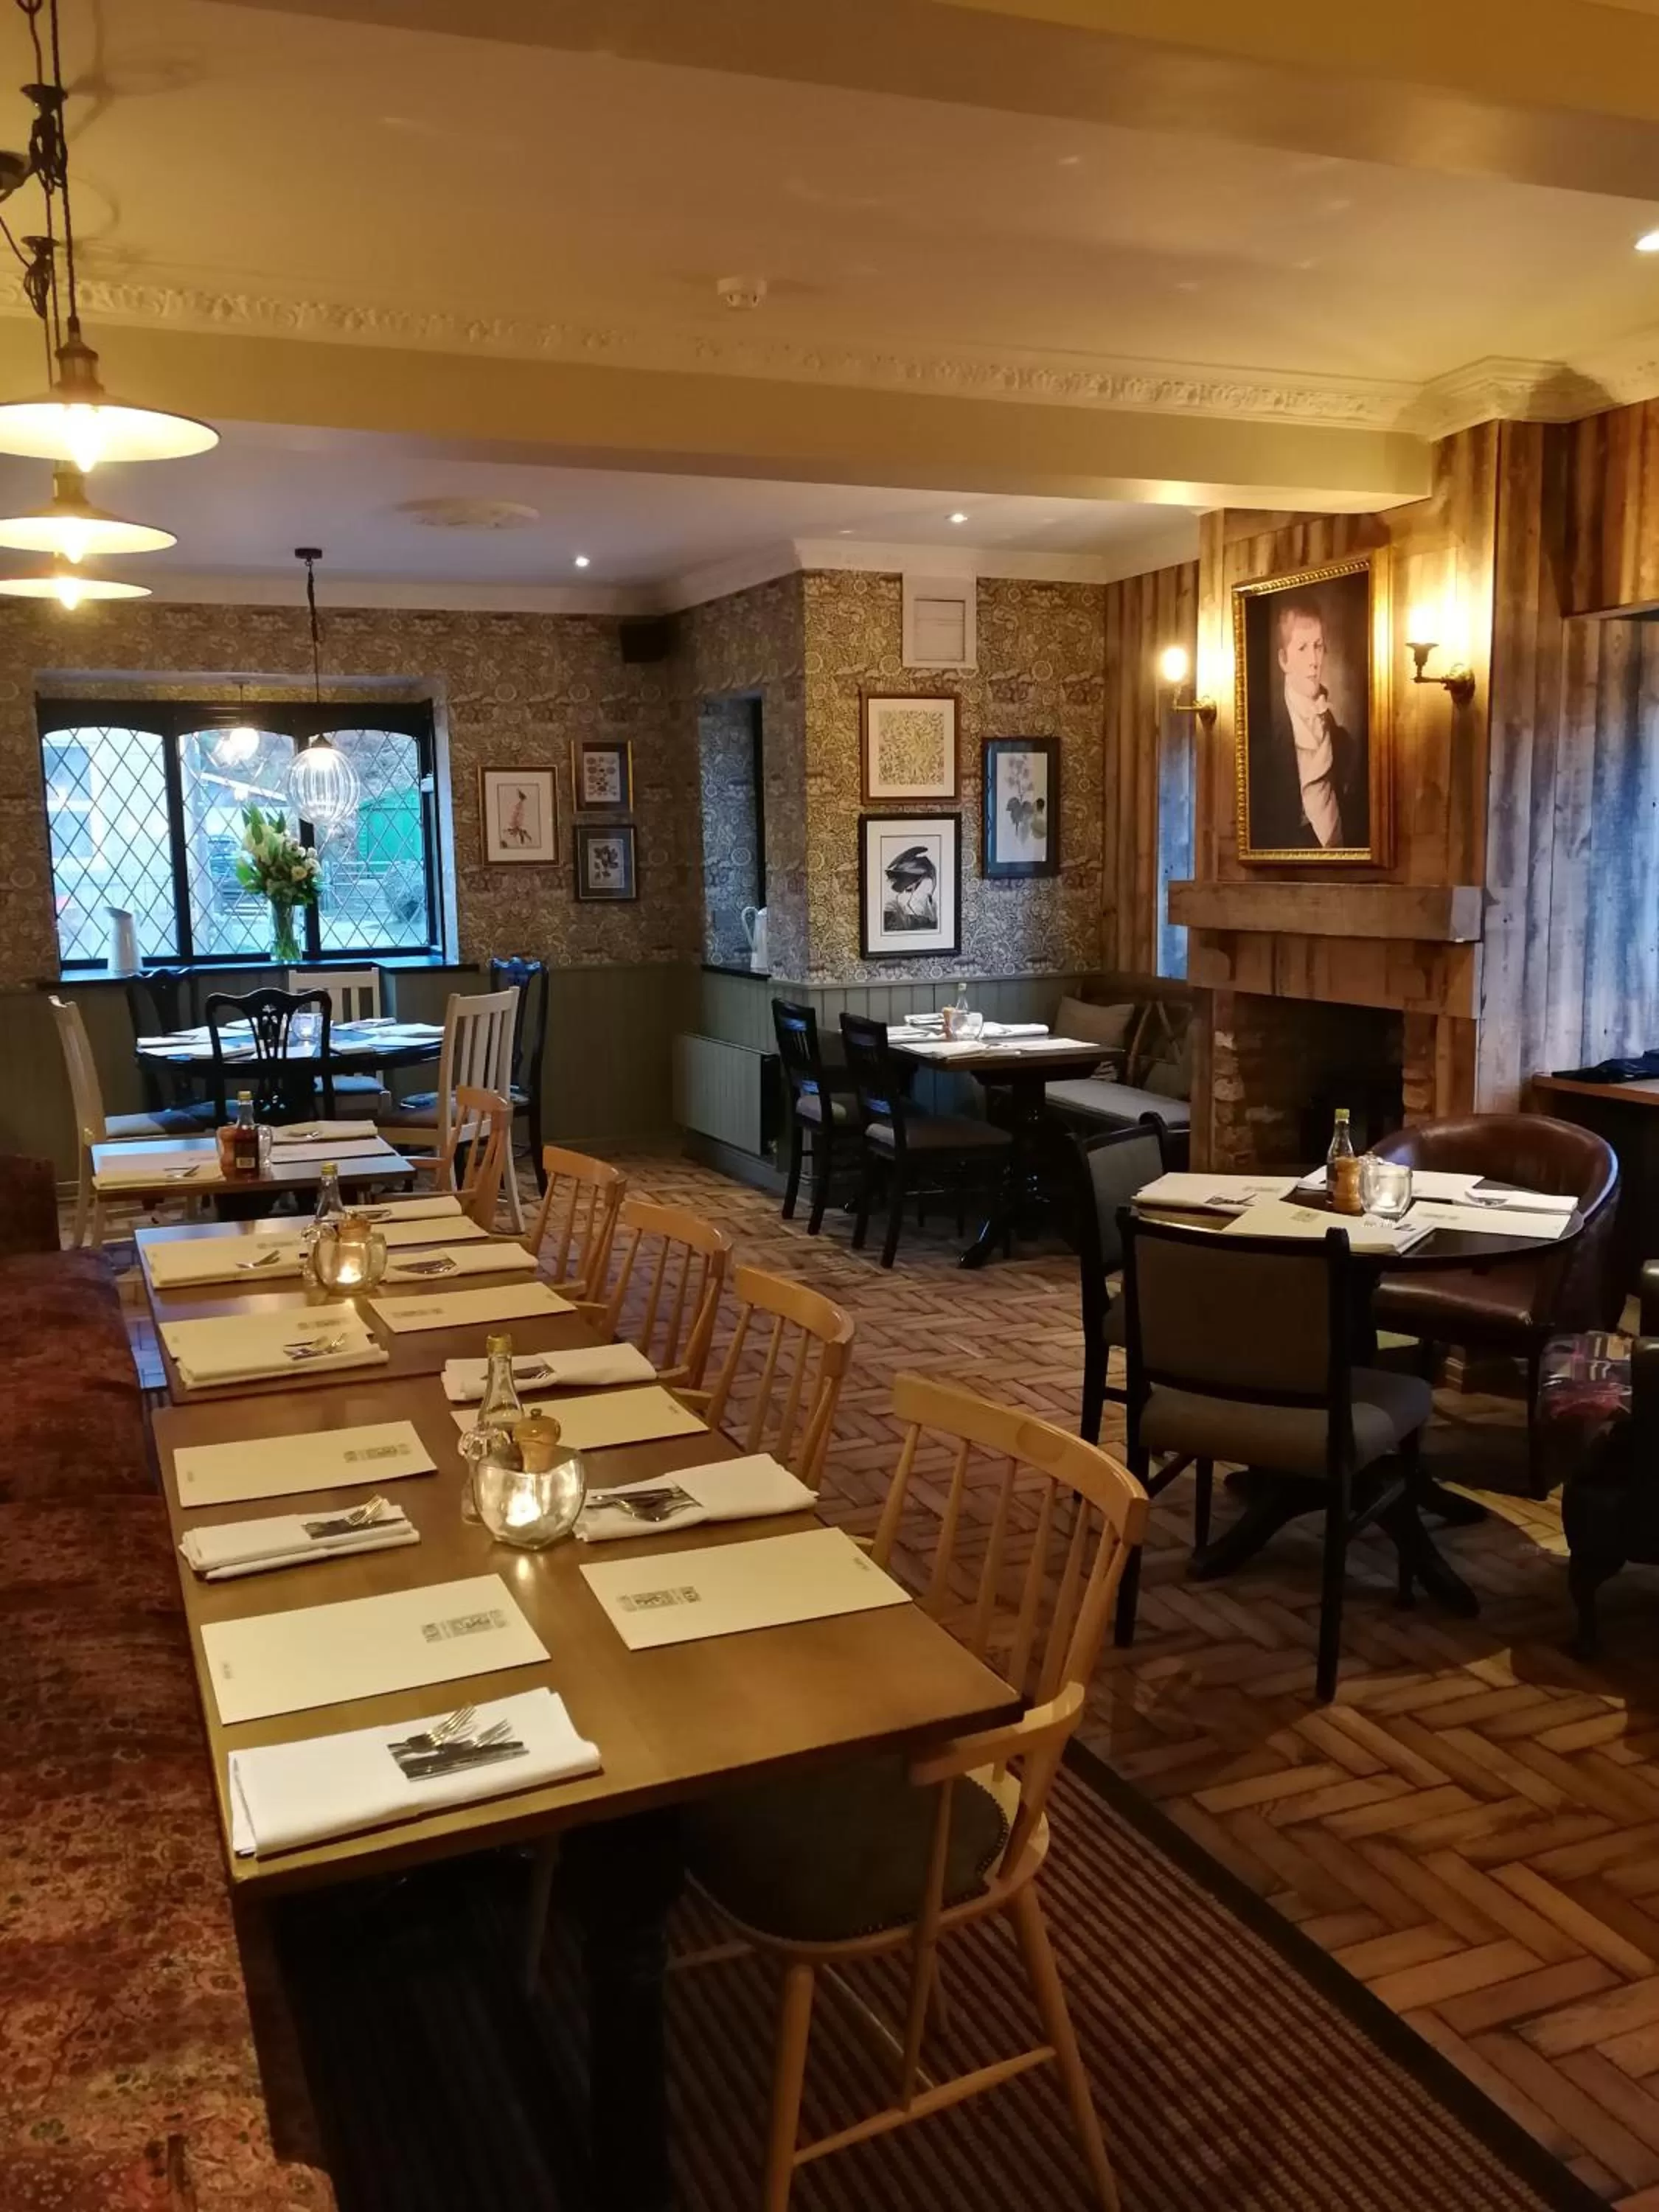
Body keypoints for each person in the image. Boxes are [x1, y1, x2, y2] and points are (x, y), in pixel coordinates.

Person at [1248, 598, 1368, 852]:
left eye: (1319, 646)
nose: (1314, 660)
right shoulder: (1265, 730)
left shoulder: (1334, 727)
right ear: (1283, 660)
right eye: (1302, 648)